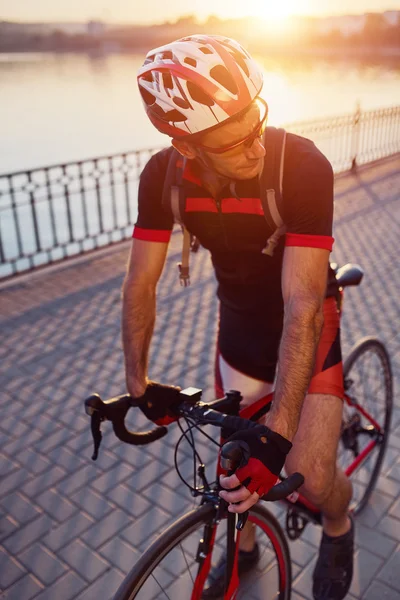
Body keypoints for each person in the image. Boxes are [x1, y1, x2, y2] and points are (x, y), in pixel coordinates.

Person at [122, 34, 354, 600]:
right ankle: (244, 546)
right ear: (185, 143)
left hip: (307, 322)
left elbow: (302, 306)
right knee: (233, 468)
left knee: (314, 478)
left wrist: (279, 433)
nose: (255, 146)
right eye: (234, 141)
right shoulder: (164, 177)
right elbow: (140, 284)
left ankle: (340, 527)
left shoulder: (300, 165)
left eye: (255, 120)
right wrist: (137, 383)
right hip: (239, 328)